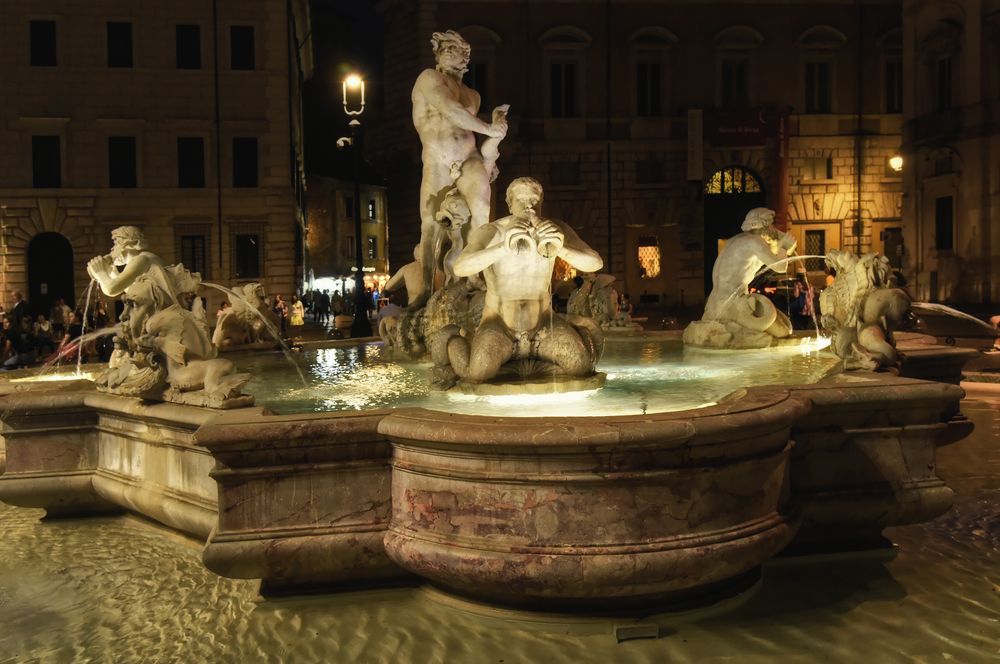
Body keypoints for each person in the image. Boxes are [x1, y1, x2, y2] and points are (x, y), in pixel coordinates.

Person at [436, 177, 603, 383]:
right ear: (510, 203)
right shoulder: (491, 231)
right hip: (500, 325)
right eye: (521, 199)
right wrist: (502, 248)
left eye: (534, 200)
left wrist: (562, 249)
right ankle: (455, 340)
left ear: (541, 203)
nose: (528, 206)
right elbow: (461, 267)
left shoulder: (555, 229)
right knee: (477, 373)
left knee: (580, 366)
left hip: (543, 325)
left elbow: (595, 263)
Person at [410, 29, 509, 307]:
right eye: (453, 50)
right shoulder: (429, 79)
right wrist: (489, 126)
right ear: (440, 54)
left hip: (469, 158)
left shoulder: (473, 95)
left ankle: (478, 276)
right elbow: (450, 110)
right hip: (437, 159)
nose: (461, 56)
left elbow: (470, 133)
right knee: (429, 224)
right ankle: (426, 292)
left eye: (465, 52)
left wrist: (493, 147)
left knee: (481, 214)